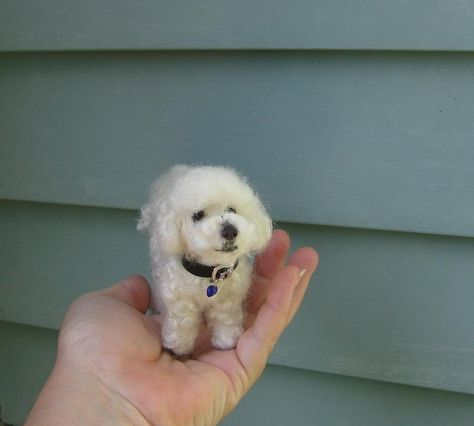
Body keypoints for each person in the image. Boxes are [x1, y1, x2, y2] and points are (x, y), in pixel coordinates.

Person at [25, 230, 318, 425]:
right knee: (180, 311)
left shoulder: (239, 267)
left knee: (229, 309)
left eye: (231, 210)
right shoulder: (173, 266)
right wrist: (103, 396)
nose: (223, 226)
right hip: (184, 281)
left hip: (228, 276)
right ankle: (180, 335)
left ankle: (225, 329)